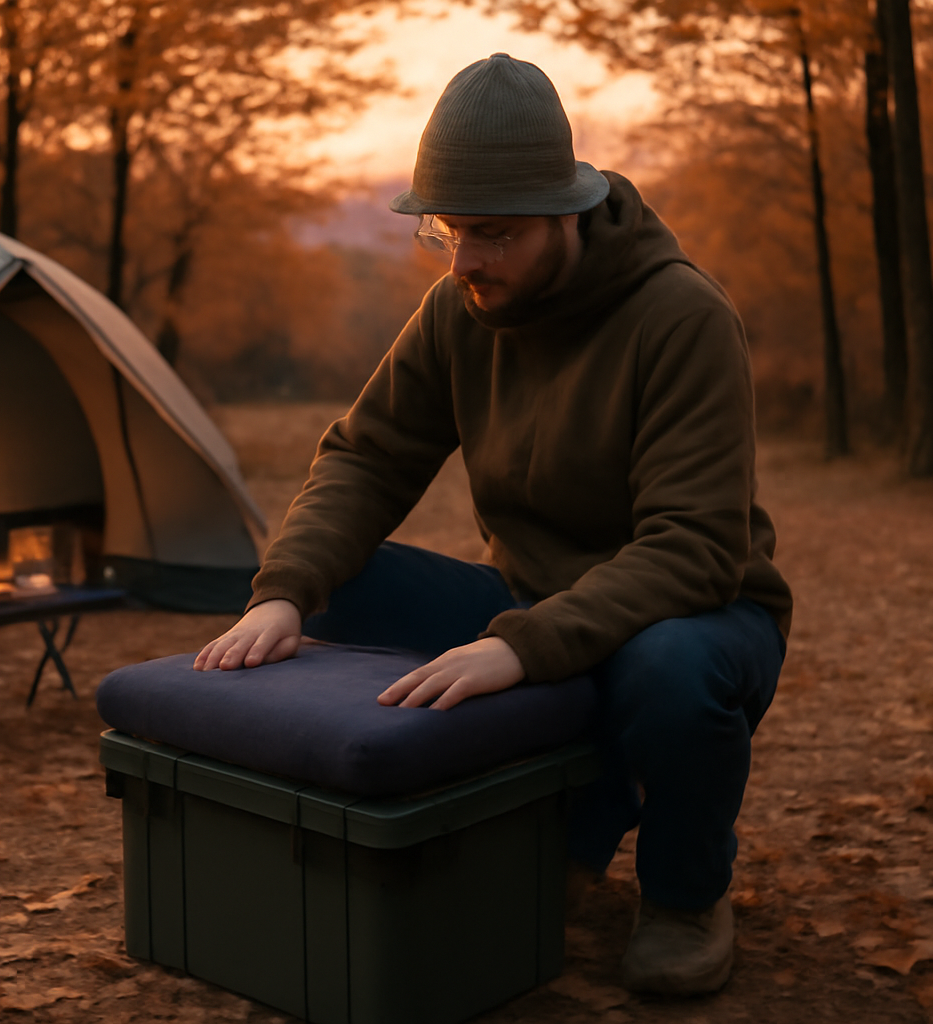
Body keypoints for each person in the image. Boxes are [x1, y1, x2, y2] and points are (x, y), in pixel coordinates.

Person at [194, 53, 792, 996]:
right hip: (532, 601)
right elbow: (369, 456)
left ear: (566, 214)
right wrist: (284, 594)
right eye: (446, 232)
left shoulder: (682, 317)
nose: (465, 260)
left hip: (700, 617)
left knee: (665, 668)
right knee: (342, 574)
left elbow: (695, 548)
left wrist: (523, 645)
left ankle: (684, 895)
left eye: (494, 235)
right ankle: (558, 821)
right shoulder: (458, 312)